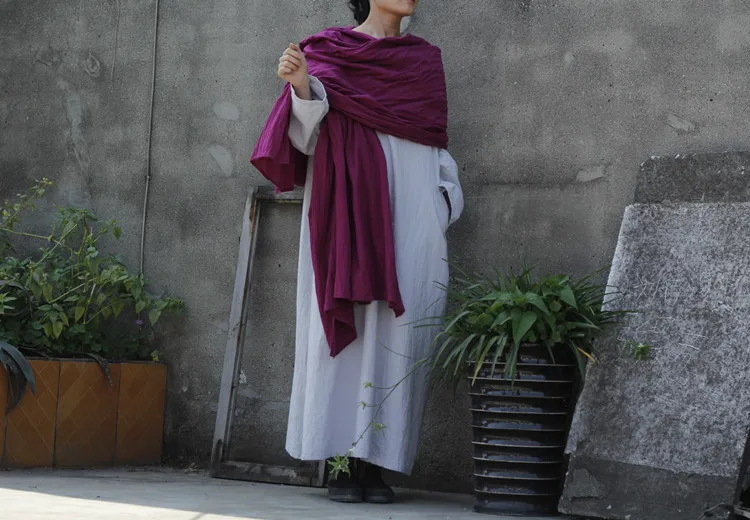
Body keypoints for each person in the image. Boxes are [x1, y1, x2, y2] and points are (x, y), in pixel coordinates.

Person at [251, 0, 463, 505]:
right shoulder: (327, 51)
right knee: (346, 337)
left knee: (401, 337)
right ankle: (341, 462)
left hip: (411, 219)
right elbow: (306, 142)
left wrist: (440, 203)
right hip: (343, 213)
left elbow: (434, 140)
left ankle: (379, 464)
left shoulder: (423, 61)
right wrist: (302, 88)